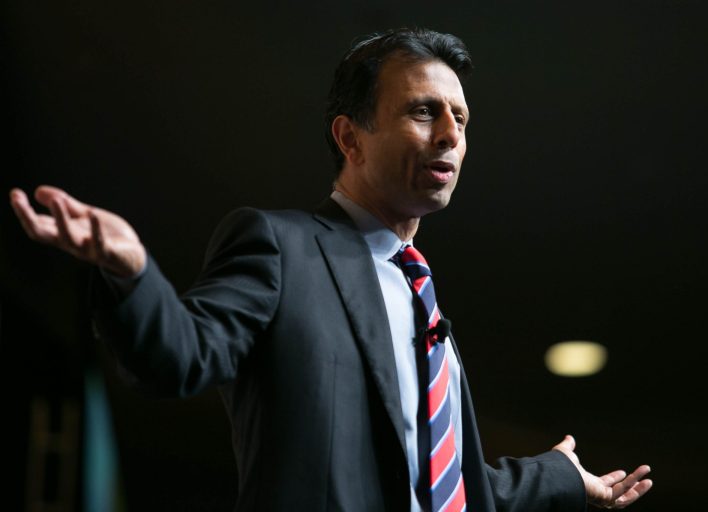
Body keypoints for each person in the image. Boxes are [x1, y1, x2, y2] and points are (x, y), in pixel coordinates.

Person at [10, 27, 652, 511]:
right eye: (424, 111)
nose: (451, 135)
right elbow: (180, 355)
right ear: (350, 138)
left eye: (460, 117)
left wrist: (562, 478)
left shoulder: (423, 302)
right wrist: (130, 272)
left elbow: (449, 487)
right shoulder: (280, 246)